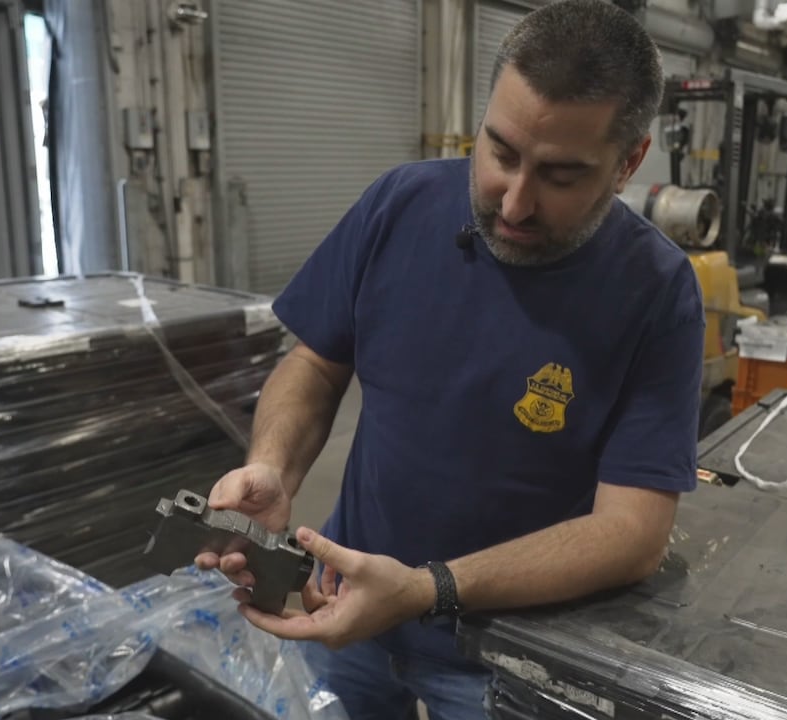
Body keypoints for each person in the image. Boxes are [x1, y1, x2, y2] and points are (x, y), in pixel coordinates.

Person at [195, 1, 705, 717]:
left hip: (507, 653)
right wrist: (274, 466)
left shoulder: (657, 292)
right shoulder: (398, 206)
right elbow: (315, 362)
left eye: (560, 175)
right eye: (501, 152)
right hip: (338, 605)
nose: (515, 203)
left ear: (629, 162)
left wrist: (427, 588)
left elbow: (632, 534)